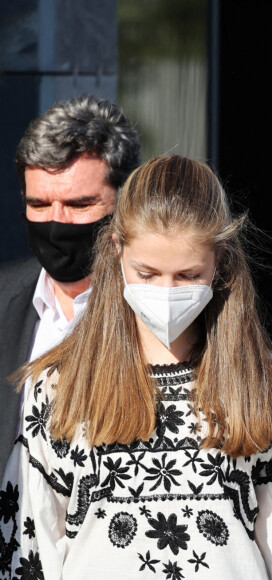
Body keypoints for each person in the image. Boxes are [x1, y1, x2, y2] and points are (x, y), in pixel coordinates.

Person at [0, 155, 272, 580]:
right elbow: (29, 547)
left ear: (220, 261)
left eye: (187, 275)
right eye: (147, 273)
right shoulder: (59, 384)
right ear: (116, 249)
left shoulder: (257, 379)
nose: (166, 291)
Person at [0, 94, 141, 478]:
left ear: (123, 204)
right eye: (40, 205)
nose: (56, 223)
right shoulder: (4, 299)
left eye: (79, 205)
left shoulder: (160, 311)